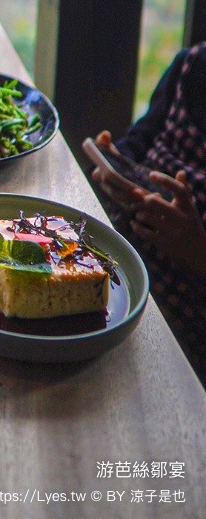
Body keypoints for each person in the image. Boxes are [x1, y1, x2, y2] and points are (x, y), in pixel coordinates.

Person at [90, 42, 206, 386]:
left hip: (184, 332)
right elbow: (140, 142)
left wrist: (196, 250)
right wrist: (113, 160)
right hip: (120, 269)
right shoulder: (192, 66)